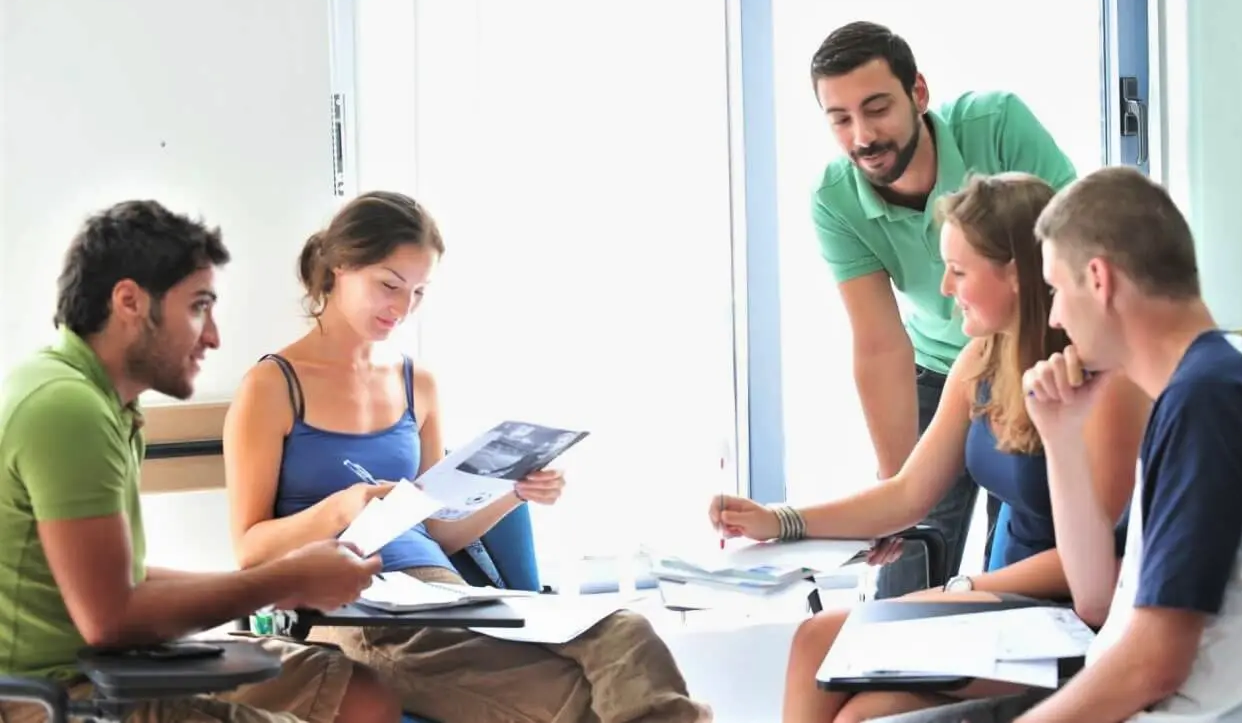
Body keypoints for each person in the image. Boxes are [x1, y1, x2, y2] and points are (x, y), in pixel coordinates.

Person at [222, 191, 710, 723]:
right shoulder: (271, 388)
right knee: (583, 699)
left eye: (418, 293)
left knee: (627, 632)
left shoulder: (418, 385)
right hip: (354, 608)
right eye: (388, 285)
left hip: (444, 597)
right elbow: (250, 551)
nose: (402, 308)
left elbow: (440, 532)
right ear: (340, 265)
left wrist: (514, 492)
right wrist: (341, 511)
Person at [709, 173, 1149, 723]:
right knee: (812, 643)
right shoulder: (981, 358)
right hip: (996, 603)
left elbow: (1093, 563)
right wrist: (777, 519)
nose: (944, 287)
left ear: (1013, 274)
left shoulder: (1104, 382)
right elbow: (906, 495)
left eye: (959, 271)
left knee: (859, 713)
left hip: (1065, 615)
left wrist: (963, 587)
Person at [894, 166, 1242, 723]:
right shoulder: (1206, 384)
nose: (1052, 316)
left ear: (1098, 281)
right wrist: (1061, 436)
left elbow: (1154, 664)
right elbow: (1097, 598)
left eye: (1055, 289)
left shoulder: (1208, 399)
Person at [0, 200, 402, 723]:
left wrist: (282, 575)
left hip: (107, 666)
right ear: (130, 302)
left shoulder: (107, 402)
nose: (212, 336)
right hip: (55, 694)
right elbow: (111, 618)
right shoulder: (66, 408)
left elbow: (119, 579)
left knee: (364, 695)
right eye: (198, 307)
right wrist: (286, 581)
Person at [808, 21, 1079, 597]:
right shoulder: (834, 199)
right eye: (840, 119)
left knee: (1010, 556)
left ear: (919, 94)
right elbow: (880, 345)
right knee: (904, 569)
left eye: (877, 108)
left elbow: (1074, 253)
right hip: (939, 367)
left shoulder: (999, 124)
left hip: (1034, 357)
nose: (862, 134)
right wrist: (894, 491)